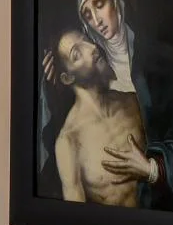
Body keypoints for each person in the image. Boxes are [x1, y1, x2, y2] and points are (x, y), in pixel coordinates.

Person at [41, 0, 173, 212]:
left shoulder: (161, 60)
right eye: (87, 14)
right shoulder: (93, 70)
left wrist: (153, 170)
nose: (96, 20)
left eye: (100, 4)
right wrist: (52, 88)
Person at [51, 30, 145, 206]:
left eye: (87, 40)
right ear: (67, 78)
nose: (93, 48)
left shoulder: (132, 101)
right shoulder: (69, 140)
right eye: (77, 54)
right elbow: (77, 220)